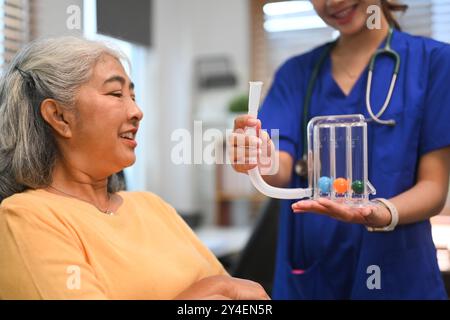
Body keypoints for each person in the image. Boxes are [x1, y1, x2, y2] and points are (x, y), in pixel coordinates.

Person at [0, 37, 270, 300]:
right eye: (116, 94)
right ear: (59, 116)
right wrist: (210, 291)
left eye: (133, 96)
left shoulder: (152, 206)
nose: (137, 111)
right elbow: (223, 290)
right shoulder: (26, 217)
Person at [231, 0, 450, 299]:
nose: (332, 2)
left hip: (400, 276)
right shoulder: (296, 75)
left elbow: (434, 188)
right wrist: (258, 157)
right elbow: (278, 167)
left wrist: (380, 213)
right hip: (311, 281)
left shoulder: (434, 62)